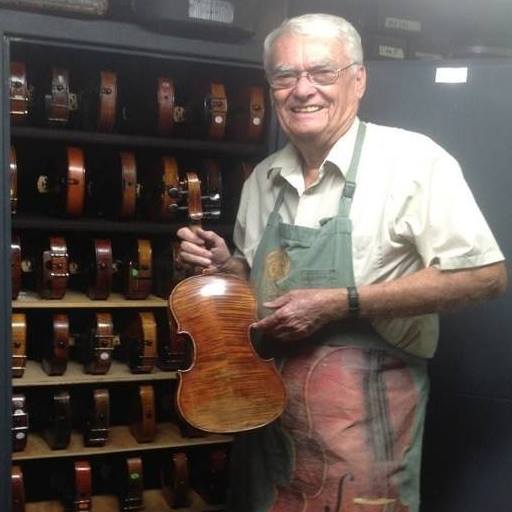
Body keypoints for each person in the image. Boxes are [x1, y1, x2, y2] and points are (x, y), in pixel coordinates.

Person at [177, 12, 507, 512]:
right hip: (263, 420)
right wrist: (227, 271)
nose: (302, 89)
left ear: (357, 81)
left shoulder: (414, 162)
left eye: (322, 73)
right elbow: (253, 281)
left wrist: (342, 303)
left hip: (365, 436)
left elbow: (485, 277)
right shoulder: (262, 178)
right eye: (285, 76)